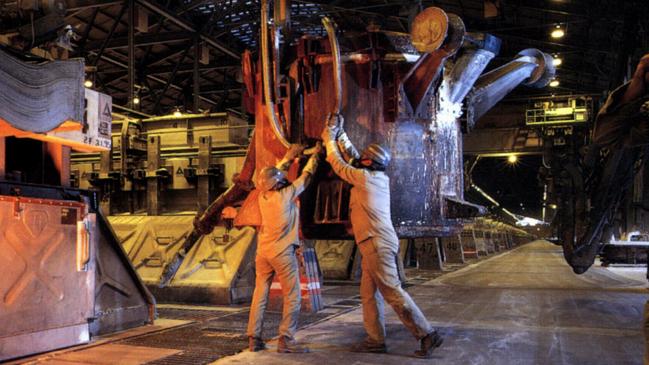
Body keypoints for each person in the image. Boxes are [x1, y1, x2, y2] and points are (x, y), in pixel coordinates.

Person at [321, 115, 443, 358]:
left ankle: (427, 334)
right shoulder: (375, 176)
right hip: (373, 244)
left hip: (376, 244)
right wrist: (341, 133)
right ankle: (375, 340)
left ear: (369, 161)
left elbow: (339, 164)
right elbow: (355, 157)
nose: (361, 158)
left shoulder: (365, 178)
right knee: (369, 294)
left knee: (392, 291)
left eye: (365, 157)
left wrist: (328, 139)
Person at [246, 143, 321, 353]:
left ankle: (254, 338)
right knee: (292, 296)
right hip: (282, 254)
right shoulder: (285, 194)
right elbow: (305, 178)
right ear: (278, 183)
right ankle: (286, 339)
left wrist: (288, 157)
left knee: (260, 294)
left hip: (263, 252)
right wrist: (315, 156)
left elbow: (274, 175)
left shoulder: (263, 195)